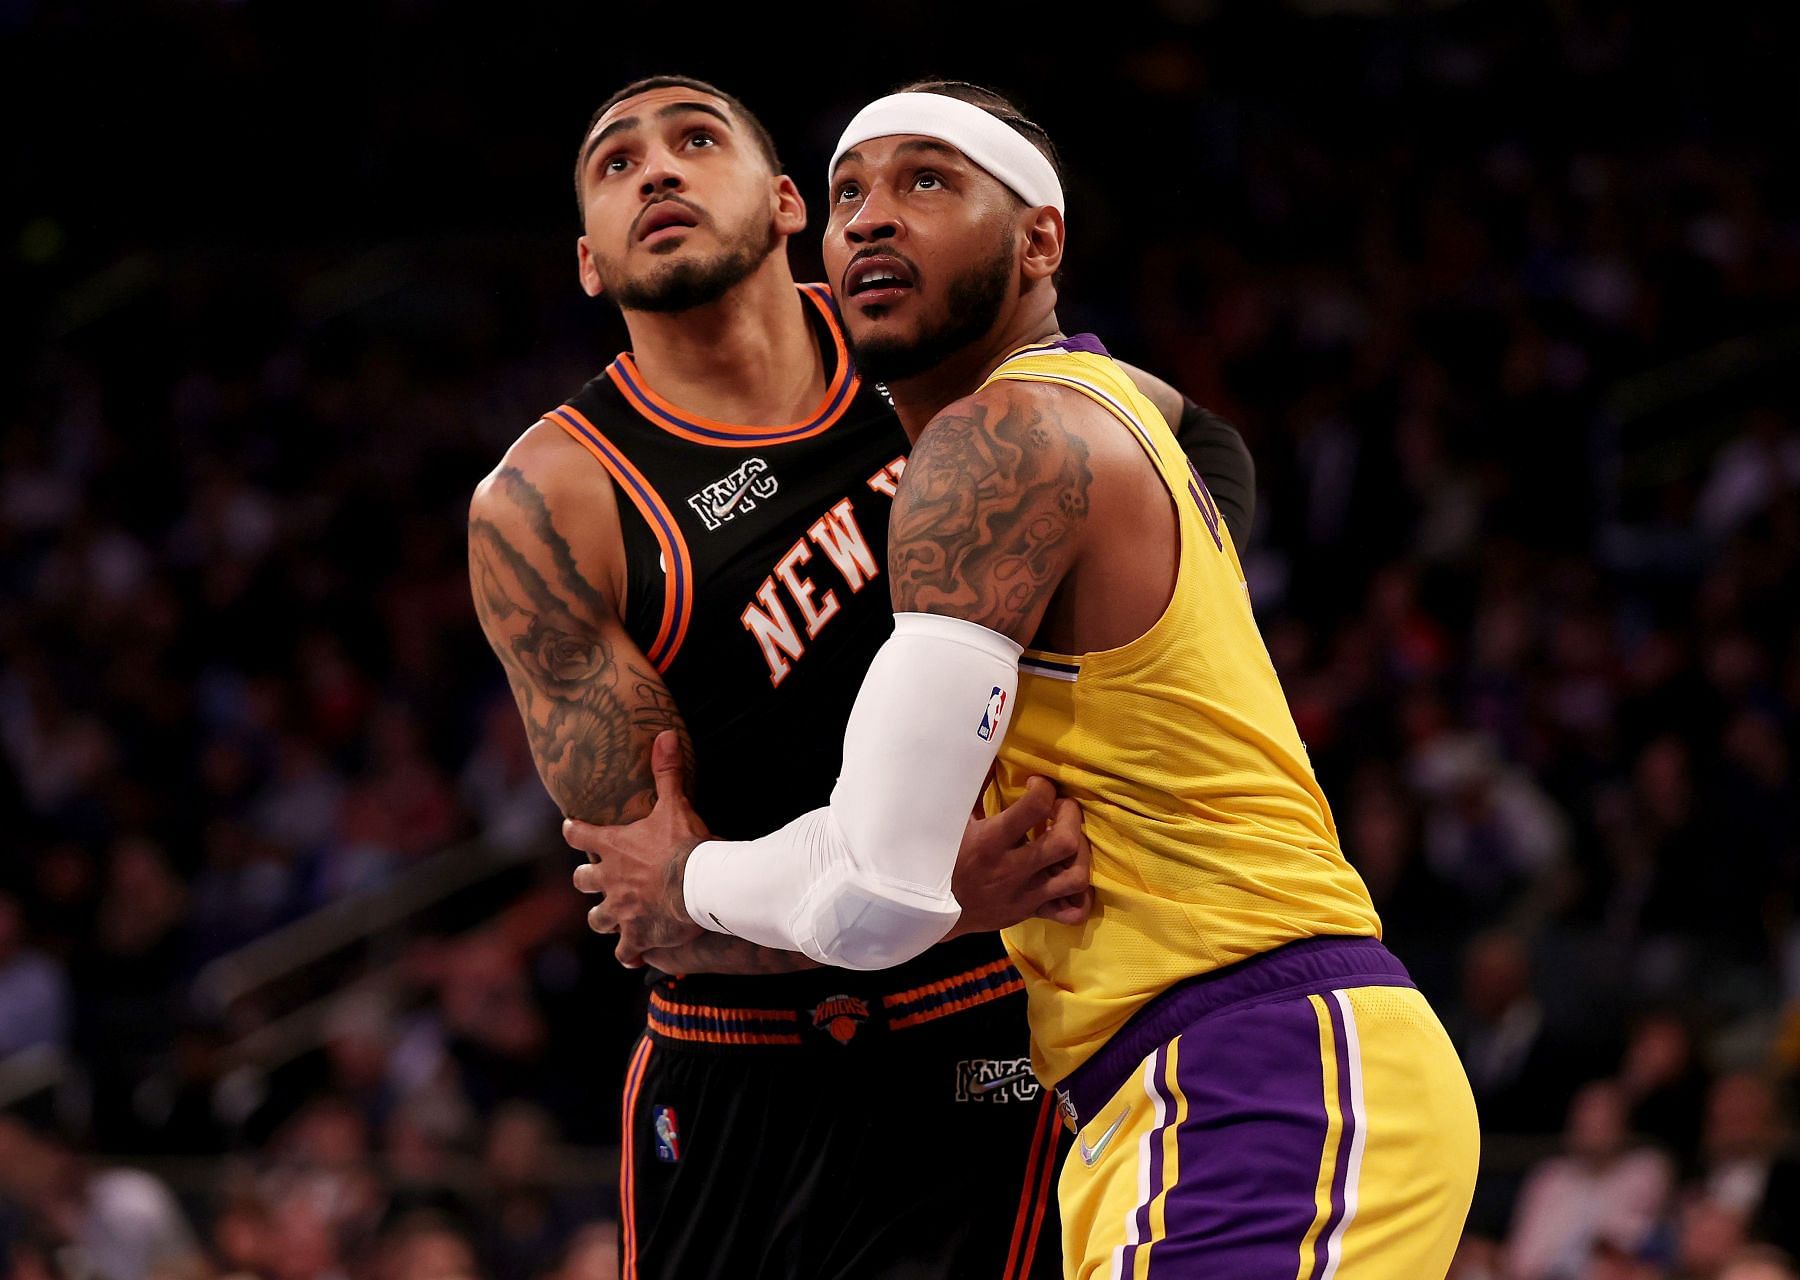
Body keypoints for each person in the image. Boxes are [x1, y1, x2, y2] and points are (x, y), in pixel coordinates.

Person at [564, 81, 1476, 1277]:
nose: (874, 218)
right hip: (1167, 1091)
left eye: (927, 182)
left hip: (1254, 1069)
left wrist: (683, 873)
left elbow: (872, 892)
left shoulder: (1001, 439)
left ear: (1041, 238)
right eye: (850, 194)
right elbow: (1219, 449)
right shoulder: (1094, 398)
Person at [470, 75, 1256, 1279]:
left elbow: (1186, 441)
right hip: (739, 1053)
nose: (659, 173)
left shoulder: (916, 335)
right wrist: (931, 890)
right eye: (617, 165)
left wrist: (1139, 667)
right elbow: (656, 904)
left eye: (695, 142)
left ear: (791, 205)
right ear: (588, 260)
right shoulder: (550, 503)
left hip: (981, 1020)